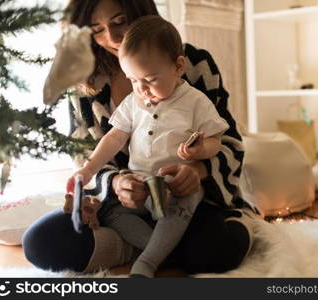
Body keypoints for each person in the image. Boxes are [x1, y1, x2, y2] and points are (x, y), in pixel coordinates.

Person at [23, 0, 258, 275]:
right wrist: (116, 183)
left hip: (184, 200)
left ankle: (150, 251)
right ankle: (154, 248)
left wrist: (197, 168)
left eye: (119, 22)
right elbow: (87, 154)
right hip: (122, 206)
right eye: (97, 29)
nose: (111, 38)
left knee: (219, 247)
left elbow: (228, 142)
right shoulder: (84, 80)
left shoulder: (194, 64)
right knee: (40, 243)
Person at [67, 15, 230, 278]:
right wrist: (88, 170)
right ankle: (160, 249)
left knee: (184, 204)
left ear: (178, 67)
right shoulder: (134, 101)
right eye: (133, 80)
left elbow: (216, 141)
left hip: (174, 187)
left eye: (150, 79)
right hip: (140, 185)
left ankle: (147, 263)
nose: (141, 89)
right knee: (110, 210)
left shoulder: (195, 101)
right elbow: (114, 138)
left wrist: (199, 152)